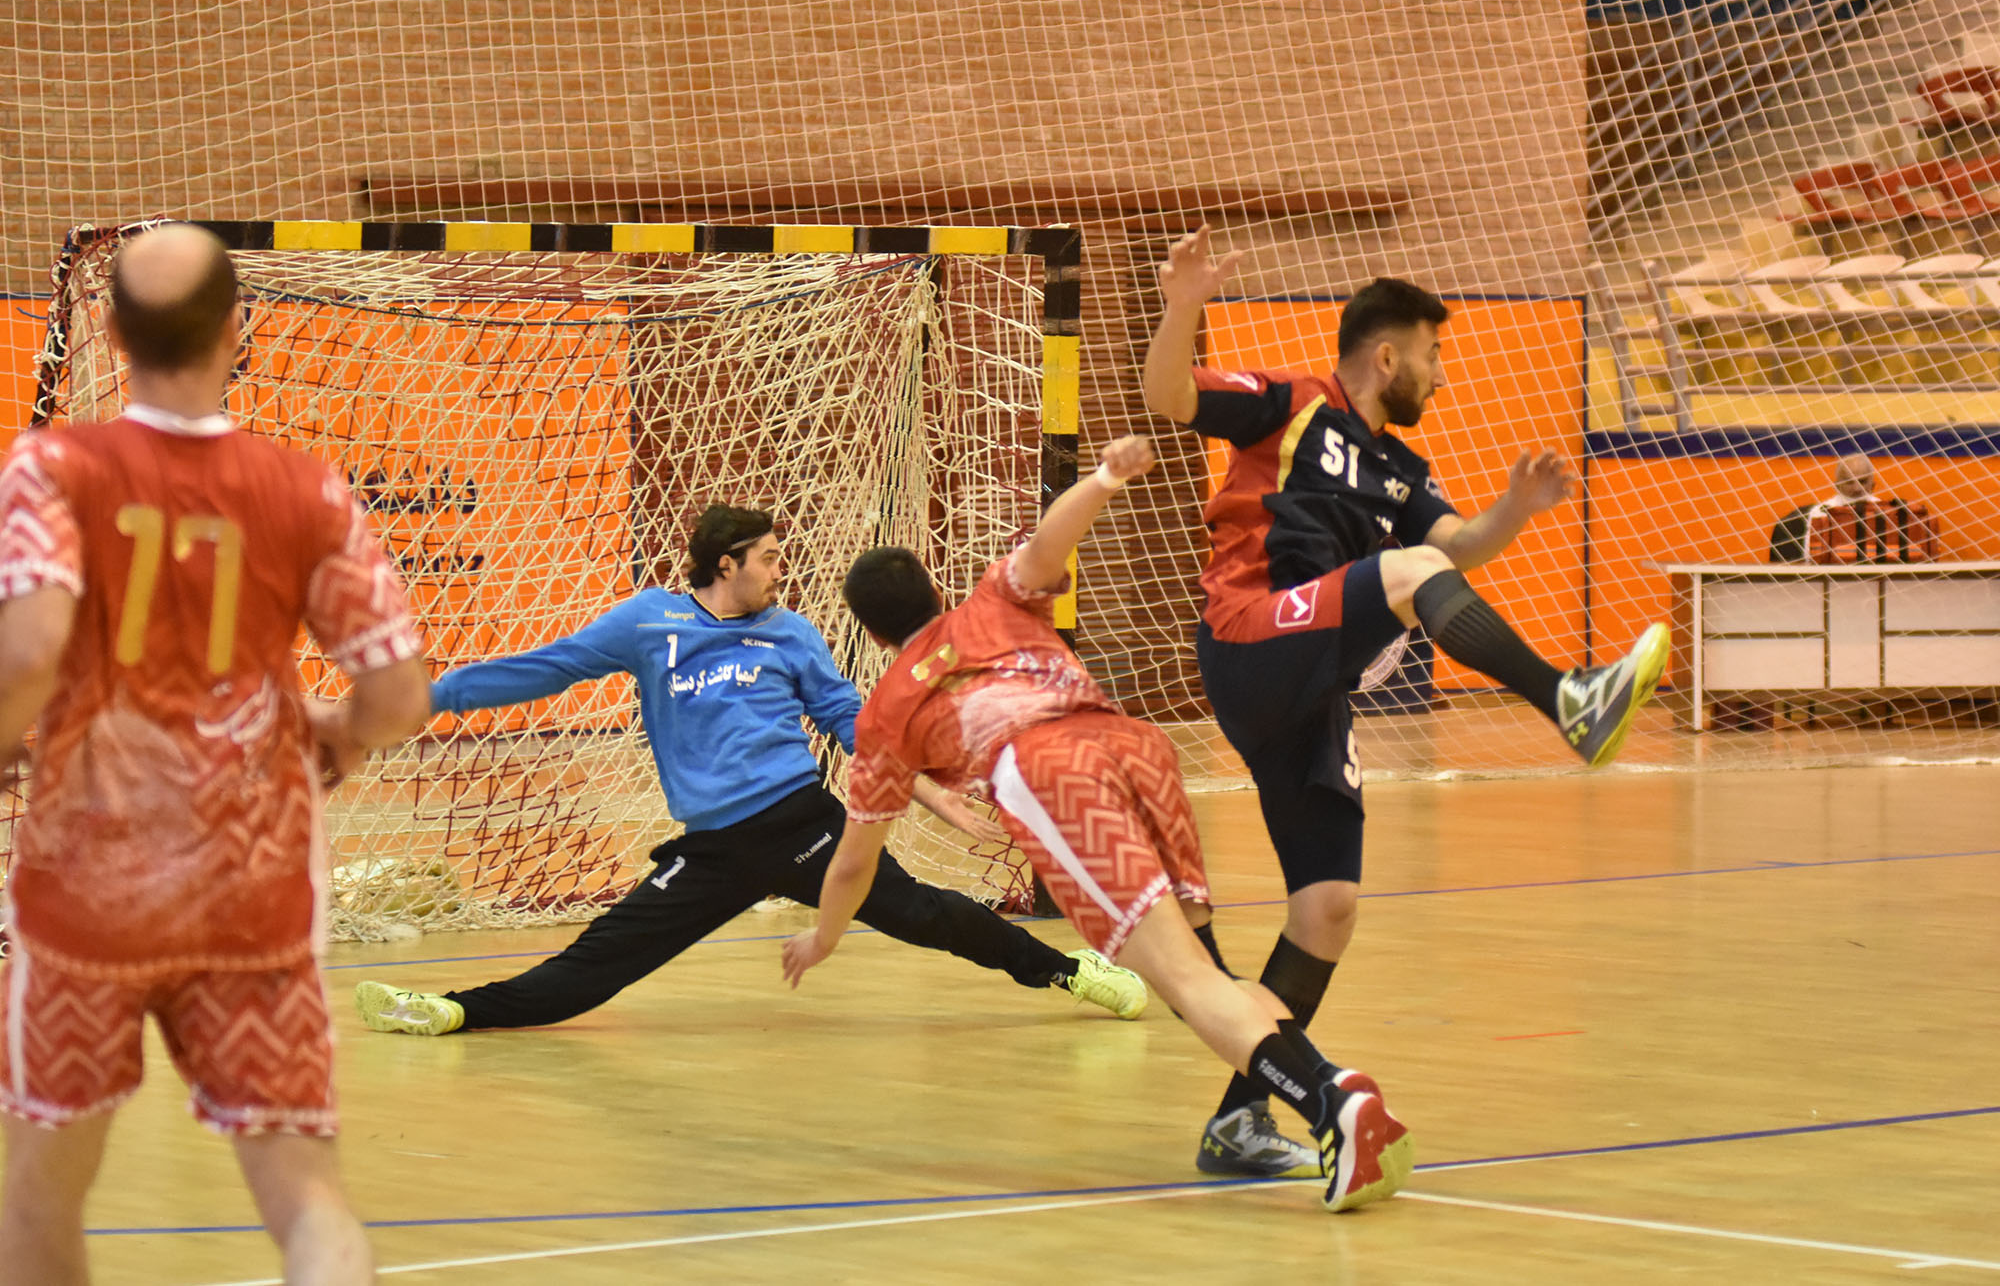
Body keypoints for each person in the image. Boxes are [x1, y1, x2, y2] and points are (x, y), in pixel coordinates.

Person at [1139, 226, 1670, 1178]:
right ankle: (1569, 699)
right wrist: (1183, 306)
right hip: (1249, 631)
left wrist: (1516, 513)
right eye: (1432, 355)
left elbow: (1458, 546)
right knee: (1408, 569)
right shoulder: (1292, 403)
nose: (1441, 374)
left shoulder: (1401, 470)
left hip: (1313, 686)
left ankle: (1239, 1121)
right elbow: (1168, 397)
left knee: (1329, 907)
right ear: (1387, 357)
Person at [784, 435, 1411, 1212]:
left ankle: (1331, 1101)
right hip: (1136, 749)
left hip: (1055, 779)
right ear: (934, 588)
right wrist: (1106, 476)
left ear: (874, 636)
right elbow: (1051, 543)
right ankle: (1260, 1115)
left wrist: (824, 937)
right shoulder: (993, 599)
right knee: (1202, 971)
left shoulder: (886, 711)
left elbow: (853, 862)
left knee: (1185, 979)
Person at [0, 224, 432, 1285]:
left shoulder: (52, 467)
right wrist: (343, 734)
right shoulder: (306, 488)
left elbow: (31, 649)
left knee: (40, 1198)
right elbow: (398, 695)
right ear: (238, 330)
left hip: (87, 892)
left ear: (111, 333)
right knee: (308, 1199)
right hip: (252, 894)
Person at [353, 504, 1146, 1036]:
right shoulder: (649, 620)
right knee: (600, 961)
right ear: (726, 563)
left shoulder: (790, 632)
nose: (778, 570)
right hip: (714, 849)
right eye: (767, 558)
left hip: (802, 824)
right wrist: (430, 697)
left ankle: (1069, 971)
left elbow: (851, 720)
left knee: (928, 914)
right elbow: (548, 668)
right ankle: (451, 1010)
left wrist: (928, 789)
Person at [1769, 453, 1936, 563]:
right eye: (1849, 482)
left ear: (1873, 484)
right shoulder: (1819, 514)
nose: (1857, 488)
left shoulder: (1891, 514)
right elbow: (1808, 562)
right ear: (1837, 485)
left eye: (1862, 481)